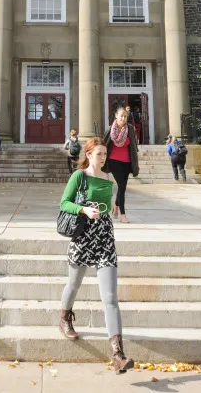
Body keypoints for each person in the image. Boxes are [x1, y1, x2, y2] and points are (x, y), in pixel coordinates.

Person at [57, 137, 133, 373]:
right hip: (82, 236)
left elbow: (109, 206)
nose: (103, 157)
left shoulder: (108, 179)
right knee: (74, 284)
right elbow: (64, 203)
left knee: (110, 297)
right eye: (99, 154)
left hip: (104, 238)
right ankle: (65, 318)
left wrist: (114, 209)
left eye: (104, 154)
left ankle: (118, 354)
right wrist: (83, 209)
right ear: (88, 155)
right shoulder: (78, 176)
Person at [105, 107, 139, 223]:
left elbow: (133, 146)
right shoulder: (110, 130)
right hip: (114, 161)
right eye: (121, 116)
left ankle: (115, 205)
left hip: (127, 162)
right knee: (122, 184)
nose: (123, 118)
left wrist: (135, 162)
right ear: (116, 116)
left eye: (125, 116)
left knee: (122, 187)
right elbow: (104, 144)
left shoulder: (130, 129)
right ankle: (123, 215)